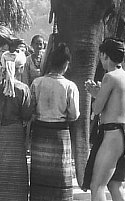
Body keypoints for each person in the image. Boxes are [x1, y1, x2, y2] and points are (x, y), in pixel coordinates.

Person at [0, 49, 33, 201]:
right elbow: (27, 115)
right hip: (13, 135)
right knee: (13, 172)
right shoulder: (22, 89)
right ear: (20, 68)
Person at [82, 38, 125, 201]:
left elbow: (97, 109)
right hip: (124, 134)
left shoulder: (109, 77)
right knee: (114, 185)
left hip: (112, 135)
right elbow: (114, 105)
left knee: (97, 186)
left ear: (104, 55)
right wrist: (98, 92)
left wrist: (95, 93)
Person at [29, 43, 79, 200]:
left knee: (40, 172)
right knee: (60, 173)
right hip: (60, 135)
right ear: (66, 65)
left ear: (49, 63)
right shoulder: (70, 86)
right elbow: (74, 114)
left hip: (40, 133)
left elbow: (30, 109)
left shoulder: (37, 83)